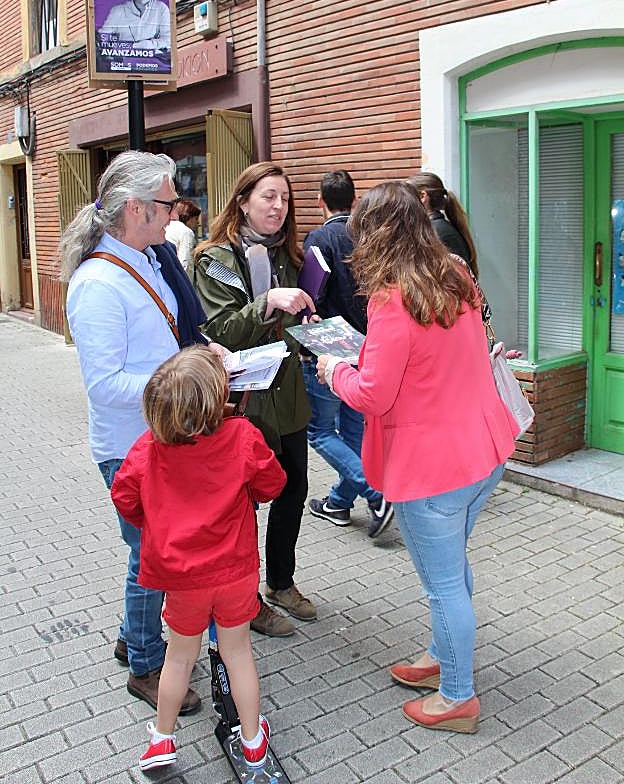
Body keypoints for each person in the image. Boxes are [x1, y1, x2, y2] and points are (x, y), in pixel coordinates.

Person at [317, 181, 518, 734]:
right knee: (452, 569)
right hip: (483, 450)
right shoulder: (454, 272)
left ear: (374, 236)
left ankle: (457, 697)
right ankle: (441, 655)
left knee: (443, 582)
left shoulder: (389, 299)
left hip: (432, 470)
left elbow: (373, 395)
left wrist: (335, 370)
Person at [59, 150, 224, 714]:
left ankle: (134, 636)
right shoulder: (99, 282)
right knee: (151, 556)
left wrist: (199, 356)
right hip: (130, 447)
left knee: (150, 551)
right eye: (166, 202)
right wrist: (184, 382)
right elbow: (104, 384)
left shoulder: (144, 258)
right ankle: (147, 664)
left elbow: (165, 341)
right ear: (135, 209)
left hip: (157, 439)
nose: (175, 210)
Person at [111, 346, 286, 773]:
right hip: (234, 570)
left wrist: (156, 521)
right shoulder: (243, 437)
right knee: (237, 651)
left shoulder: (148, 448)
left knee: (178, 657)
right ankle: (251, 741)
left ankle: (161, 739)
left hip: (182, 576)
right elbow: (273, 484)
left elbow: (124, 497)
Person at [194, 161, 317, 638]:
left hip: (287, 399)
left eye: (284, 199)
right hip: (242, 406)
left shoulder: (288, 257)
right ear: (242, 200)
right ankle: (243, 603)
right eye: (268, 197)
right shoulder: (215, 259)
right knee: (242, 507)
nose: (278, 207)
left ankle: (280, 584)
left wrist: (308, 328)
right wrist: (268, 303)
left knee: (293, 492)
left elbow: (288, 329)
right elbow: (220, 329)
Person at [303, 170, 393, 537]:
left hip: (330, 349)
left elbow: (311, 299)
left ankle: (375, 492)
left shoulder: (318, 238)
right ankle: (339, 503)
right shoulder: (369, 237)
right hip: (369, 346)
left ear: (320, 202)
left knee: (320, 430)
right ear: (354, 201)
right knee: (354, 432)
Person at [409, 171, 479, 275]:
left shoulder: (436, 232)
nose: (403, 202)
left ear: (422, 196)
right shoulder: (438, 228)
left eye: (406, 196)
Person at [100, 0, 171, 51]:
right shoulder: (118, 11)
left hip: (153, 63)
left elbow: (168, 41)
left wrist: (148, 45)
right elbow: (102, 39)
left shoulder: (161, 9)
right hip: (123, 62)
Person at [165, 198, 202, 279]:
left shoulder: (167, 226)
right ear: (188, 216)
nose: (198, 223)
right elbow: (186, 263)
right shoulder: (186, 232)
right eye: (196, 219)